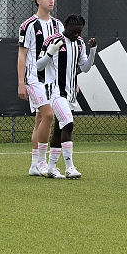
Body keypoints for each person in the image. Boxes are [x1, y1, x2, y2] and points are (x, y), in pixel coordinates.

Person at [33, 13, 95, 179]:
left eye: (79, 32)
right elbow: (38, 66)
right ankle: (69, 167)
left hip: (71, 93)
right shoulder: (52, 40)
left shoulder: (79, 43)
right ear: (66, 27)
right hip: (55, 92)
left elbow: (85, 68)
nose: (76, 35)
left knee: (59, 129)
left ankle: (51, 168)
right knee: (68, 123)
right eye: (74, 31)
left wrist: (93, 51)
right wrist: (49, 54)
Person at [17, 0, 65, 177]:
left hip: (53, 80)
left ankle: (34, 165)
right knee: (48, 115)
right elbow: (22, 55)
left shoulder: (58, 25)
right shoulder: (28, 25)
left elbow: (63, 55)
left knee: (40, 119)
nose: (51, 1)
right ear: (38, 1)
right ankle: (42, 163)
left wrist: (69, 79)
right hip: (34, 78)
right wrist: (21, 82)